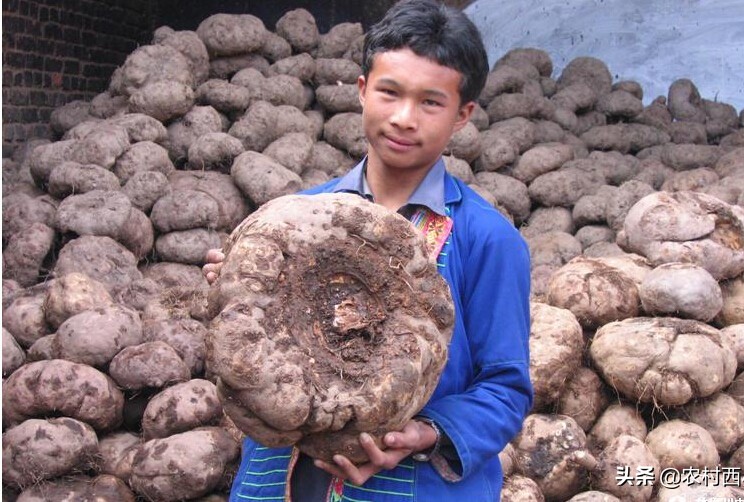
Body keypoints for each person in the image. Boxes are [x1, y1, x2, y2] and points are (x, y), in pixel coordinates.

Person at [203, 0, 533, 499]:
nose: (404, 118)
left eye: (430, 102)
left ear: (463, 114)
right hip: (282, 481)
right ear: (361, 92)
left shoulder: (488, 238)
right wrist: (230, 285)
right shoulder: (295, 217)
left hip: (412, 484)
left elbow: (505, 388)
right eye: (389, 92)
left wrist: (427, 433)